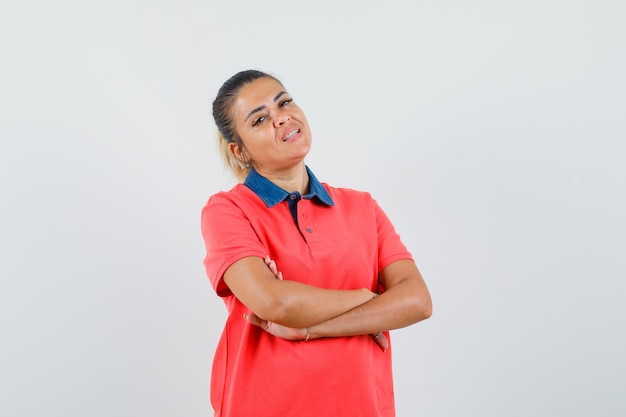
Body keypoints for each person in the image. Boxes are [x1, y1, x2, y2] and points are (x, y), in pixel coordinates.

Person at [201, 69, 432, 417]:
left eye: (284, 102)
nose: (282, 118)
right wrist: (370, 301)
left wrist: (309, 328)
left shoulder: (362, 207)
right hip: (265, 405)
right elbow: (274, 303)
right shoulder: (228, 210)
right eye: (260, 119)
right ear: (240, 151)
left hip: (361, 406)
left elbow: (416, 301)